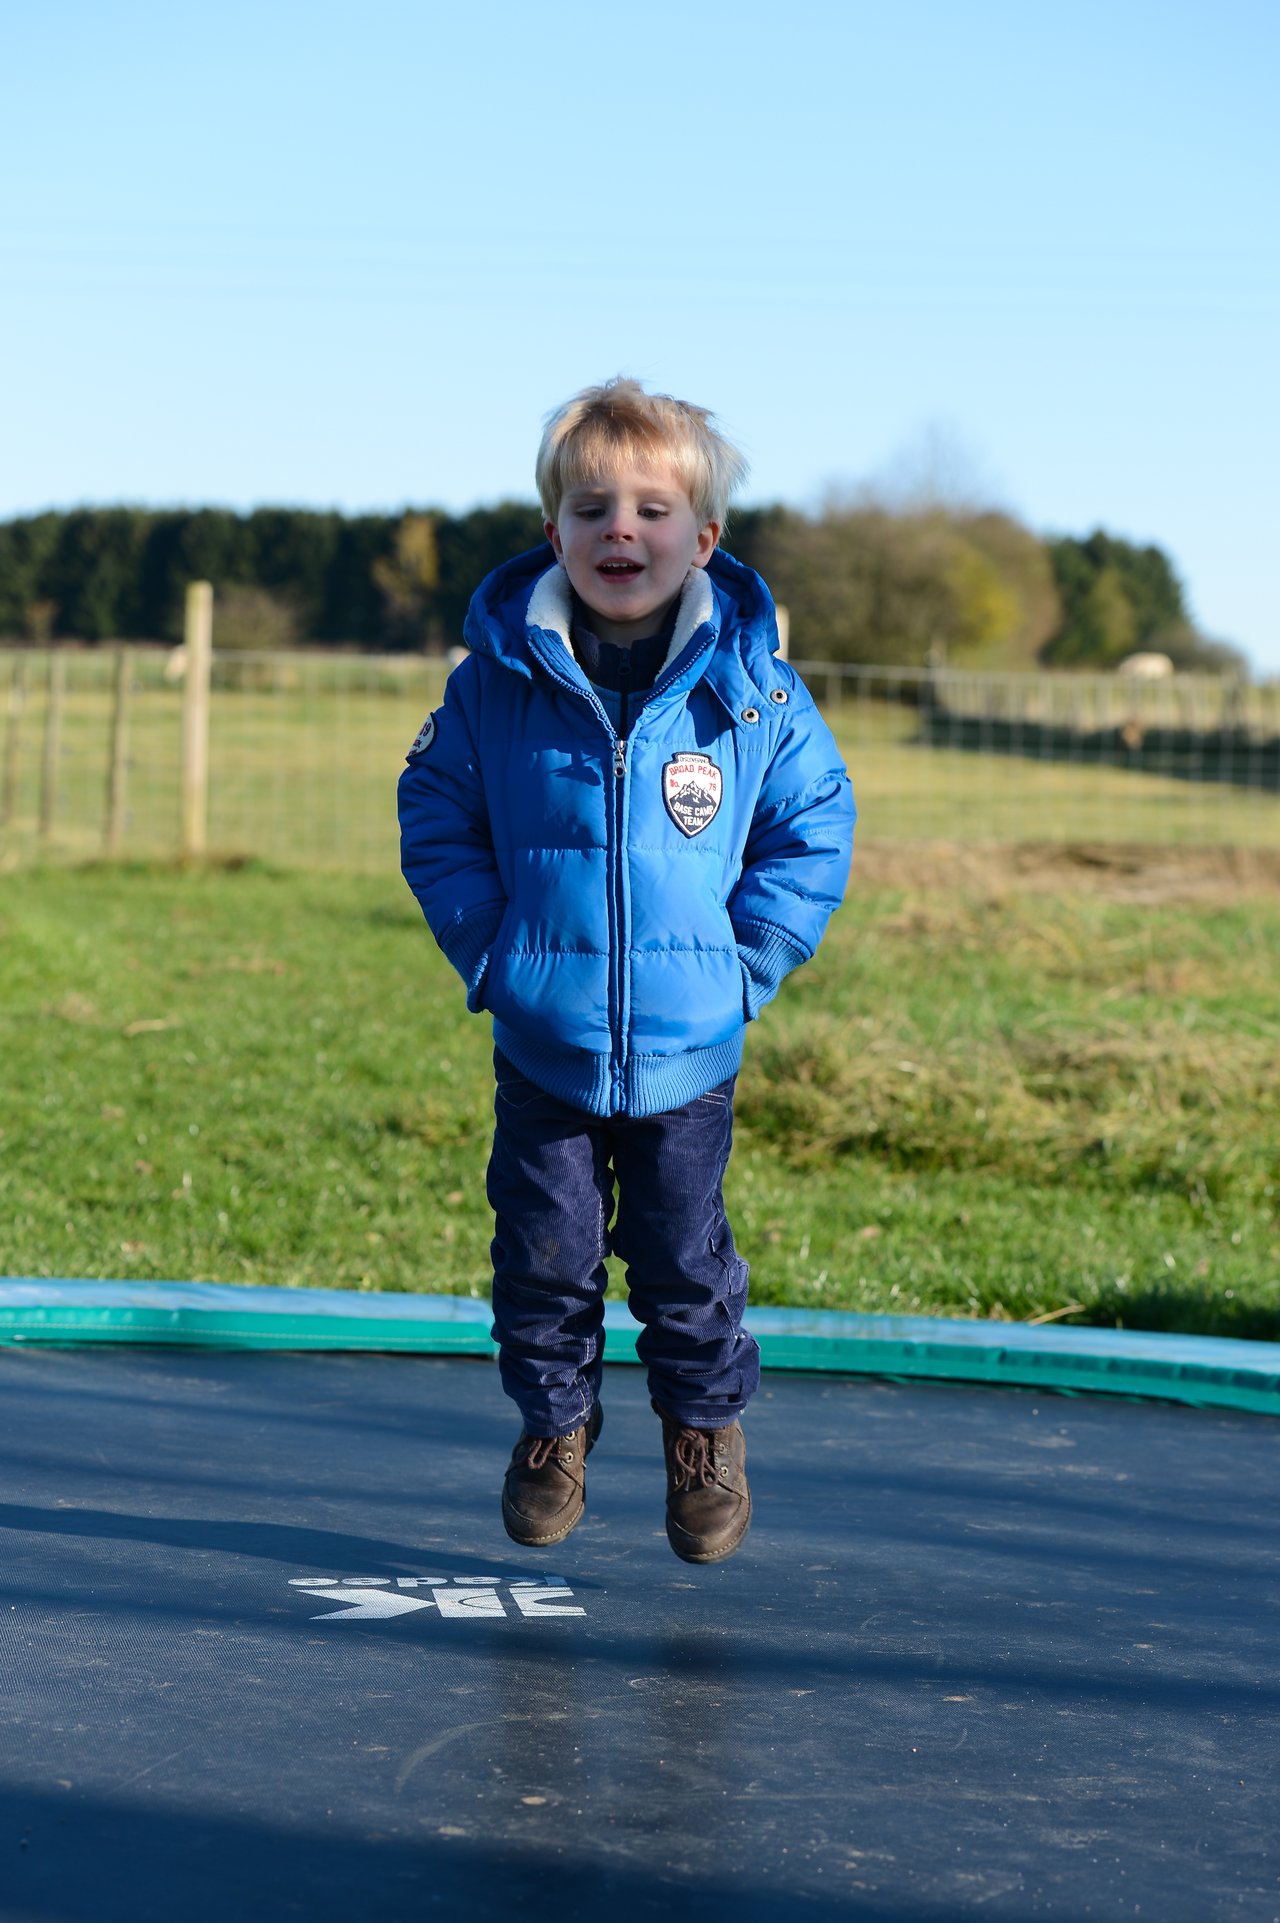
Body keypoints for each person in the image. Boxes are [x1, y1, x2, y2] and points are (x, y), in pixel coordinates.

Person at [398, 378, 855, 1563]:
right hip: (543, 1041)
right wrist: (491, 950)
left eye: (653, 509)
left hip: (688, 1052)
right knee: (542, 1260)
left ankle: (703, 1433)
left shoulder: (749, 692)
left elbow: (811, 829)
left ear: (703, 538)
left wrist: (746, 963)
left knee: (684, 1264)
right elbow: (434, 812)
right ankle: (553, 1430)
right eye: (591, 506)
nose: (621, 530)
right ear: (550, 530)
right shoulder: (495, 684)